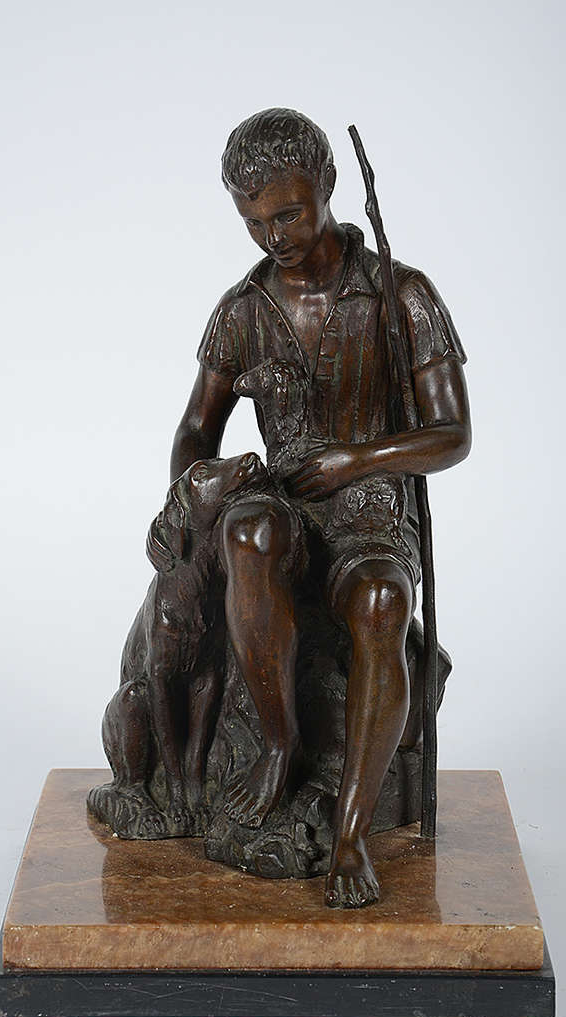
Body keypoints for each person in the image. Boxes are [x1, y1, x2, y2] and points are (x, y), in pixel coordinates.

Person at [170, 108, 471, 908]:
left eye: (288, 214)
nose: (273, 236)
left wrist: (360, 459)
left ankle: (348, 833)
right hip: (287, 500)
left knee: (379, 601)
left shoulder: (400, 294)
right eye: (253, 221)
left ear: (328, 185)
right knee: (249, 531)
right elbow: (195, 432)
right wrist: (203, 488)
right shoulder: (241, 310)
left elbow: (452, 435)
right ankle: (276, 745)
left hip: (370, 507)